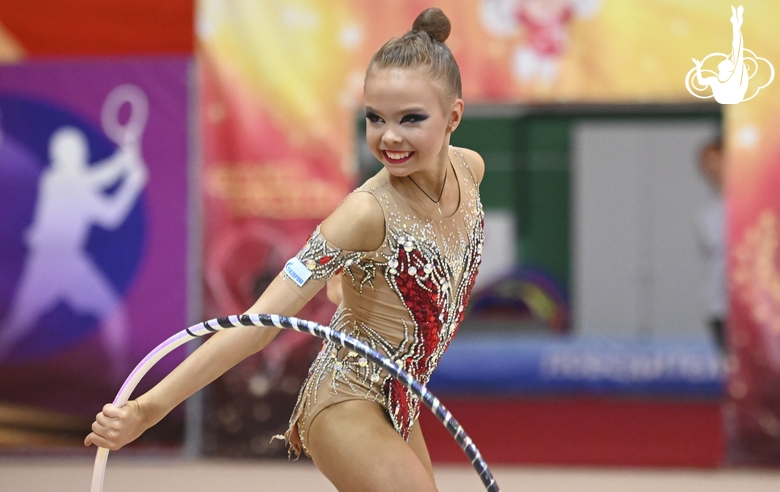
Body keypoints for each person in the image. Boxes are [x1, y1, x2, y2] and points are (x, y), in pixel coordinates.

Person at [85, 8, 485, 492]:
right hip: (345, 399)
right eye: (374, 117)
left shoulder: (471, 171)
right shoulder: (363, 213)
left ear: (454, 116)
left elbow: (408, 280)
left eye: (411, 119)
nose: (389, 136)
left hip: (402, 397)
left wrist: (348, 288)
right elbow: (258, 324)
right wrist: (148, 409)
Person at [696, 138, 727, 353]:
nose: (710, 168)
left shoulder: (760, 203)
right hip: (720, 306)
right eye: (705, 163)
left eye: (715, 160)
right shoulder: (706, 213)